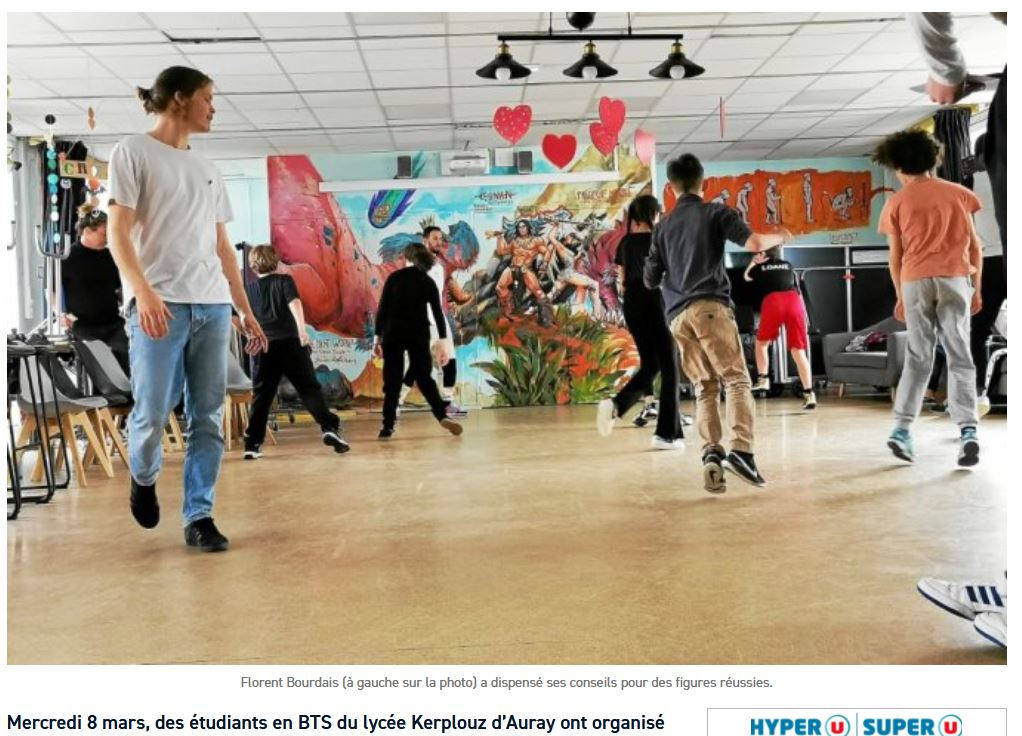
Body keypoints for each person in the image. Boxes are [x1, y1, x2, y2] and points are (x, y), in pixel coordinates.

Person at [107, 65, 268, 553]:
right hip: (159, 306)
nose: (214, 107)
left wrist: (245, 309)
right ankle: (144, 473)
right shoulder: (132, 152)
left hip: (212, 307)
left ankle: (199, 515)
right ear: (180, 99)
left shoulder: (207, 169)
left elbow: (222, 249)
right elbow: (118, 233)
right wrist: (143, 291)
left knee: (208, 417)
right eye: (208, 98)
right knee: (152, 414)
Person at [644, 154, 791, 492]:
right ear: (703, 182)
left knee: (704, 386)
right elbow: (754, 244)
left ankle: (712, 455)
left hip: (677, 318)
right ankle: (742, 451)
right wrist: (779, 236)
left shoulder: (662, 226)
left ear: (671, 187)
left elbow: (651, 280)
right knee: (737, 380)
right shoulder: (715, 212)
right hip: (709, 306)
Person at [873, 130, 982, 467]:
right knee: (959, 354)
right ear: (934, 159)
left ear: (899, 168)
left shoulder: (896, 203)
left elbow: (896, 257)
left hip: (915, 281)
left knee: (919, 357)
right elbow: (975, 246)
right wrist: (977, 287)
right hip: (955, 278)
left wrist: (900, 297)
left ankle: (903, 430)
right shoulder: (961, 194)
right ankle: (967, 431)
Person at [242, 245, 349, 460]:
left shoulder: (248, 290)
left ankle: (252, 444)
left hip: (264, 347)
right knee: (309, 389)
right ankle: (329, 428)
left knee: (262, 396)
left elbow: (238, 316)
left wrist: (249, 335)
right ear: (275, 260)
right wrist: (302, 331)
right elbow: (295, 304)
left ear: (253, 266)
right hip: (290, 344)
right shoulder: (284, 281)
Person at [596, 194, 684, 450]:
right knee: (670, 363)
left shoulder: (625, 244)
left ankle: (616, 405)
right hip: (653, 299)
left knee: (652, 363)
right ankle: (667, 434)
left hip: (632, 304)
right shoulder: (660, 240)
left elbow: (623, 281)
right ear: (652, 215)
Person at [375, 244, 464, 440]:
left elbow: (382, 309)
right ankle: (441, 416)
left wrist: (377, 338)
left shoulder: (394, 278)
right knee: (425, 378)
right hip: (418, 333)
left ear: (407, 258)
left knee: (393, 381)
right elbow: (439, 315)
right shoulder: (427, 281)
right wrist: (442, 342)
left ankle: (387, 426)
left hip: (393, 334)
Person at [400, 225, 468, 417]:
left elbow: (437, 299)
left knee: (449, 360)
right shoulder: (412, 265)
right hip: (417, 323)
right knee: (411, 366)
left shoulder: (439, 267)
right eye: (435, 238)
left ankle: (447, 402)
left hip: (438, 321)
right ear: (425, 240)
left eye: (441, 239)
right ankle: (396, 404)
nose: (439, 242)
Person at [744, 247, 817, 410]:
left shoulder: (760, 266)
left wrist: (752, 264)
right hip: (794, 301)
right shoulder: (788, 264)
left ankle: (763, 379)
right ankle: (809, 393)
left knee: (761, 343)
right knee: (798, 351)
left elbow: (746, 278)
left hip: (774, 301)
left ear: (763, 254)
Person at [61, 205, 130, 374]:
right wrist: (61, 314)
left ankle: (129, 397)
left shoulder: (110, 256)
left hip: (112, 323)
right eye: (104, 234)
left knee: (131, 352)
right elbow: (53, 290)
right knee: (100, 364)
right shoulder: (67, 256)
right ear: (87, 231)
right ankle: (101, 397)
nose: (108, 238)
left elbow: (118, 289)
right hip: (83, 325)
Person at [491, 220, 554, 324]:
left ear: (528, 227)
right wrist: (500, 238)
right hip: (512, 268)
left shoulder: (536, 241)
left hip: (526, 269)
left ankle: (546, 319)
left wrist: (545, 263)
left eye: (524, 226)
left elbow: (546, 251)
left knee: (538, 292)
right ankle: (508, 311)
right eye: (519, 227)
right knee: (499, 288)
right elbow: (502, 251)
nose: (522, 229)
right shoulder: (515, 241)